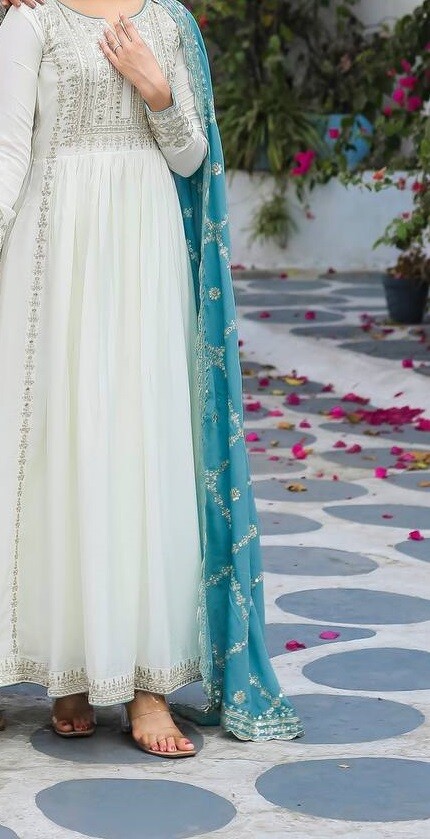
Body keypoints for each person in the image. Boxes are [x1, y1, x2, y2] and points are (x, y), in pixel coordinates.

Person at [0, 0, 304, 755]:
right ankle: (69, 666)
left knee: (143, 447)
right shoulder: (30, 21)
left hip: (144, 254)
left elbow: (192, 159)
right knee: (59, 451)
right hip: (54, 255)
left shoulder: (168, 23)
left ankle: (148, 686)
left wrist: (158, 90)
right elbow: (7, 152)